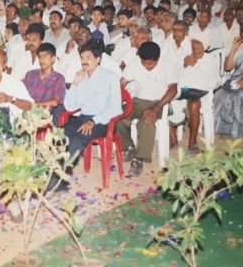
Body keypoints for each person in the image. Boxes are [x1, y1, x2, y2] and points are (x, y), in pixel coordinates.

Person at [116, 42, 177, 175]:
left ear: (157, 59)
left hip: (159, 102)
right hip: (138, 101)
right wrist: (119, 98)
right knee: (118, 116)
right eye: (143, 63)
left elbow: (173, 89)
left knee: (146, 122)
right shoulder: (135, 62)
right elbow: (122, 82)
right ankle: (129, 147)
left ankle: (139, 158)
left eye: (150, 64)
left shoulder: (167, 63)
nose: (146, 66)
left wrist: (156, 108)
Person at [61, 38, 122, 166]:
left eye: (88, 57)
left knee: (80, 137)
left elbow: (115, 108)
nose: (84, 61)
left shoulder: (110, 77)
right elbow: (69, 106)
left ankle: (60, 173)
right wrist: (75, 83)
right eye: (82, 58)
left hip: (103, 121)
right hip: (83, 117)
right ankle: (54, 168)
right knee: (60, 135)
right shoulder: (81, 78)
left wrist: (94, 121)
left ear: (98, 59)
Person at [171, 33, 221, 151]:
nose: (194, 46)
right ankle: (172, 137)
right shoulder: (185, 56)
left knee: (194, 104)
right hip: (183, 91)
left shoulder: (210, 60)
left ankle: (192, 140)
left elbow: (214, 82)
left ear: (205, 46)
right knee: (164, 100)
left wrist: (195, 66)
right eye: (193, 43)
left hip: (201, 93)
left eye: (198, 43)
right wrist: (184, 65)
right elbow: (174, 78)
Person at [22, 42, 66, 124]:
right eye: (40, 57)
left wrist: (33, 104)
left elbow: (55, 102)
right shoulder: (30, 74)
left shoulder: (59, 78)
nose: (42, 60)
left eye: (45, 57)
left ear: (53, 59)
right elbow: (20, 93)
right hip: (26, 113)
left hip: (45, 115)